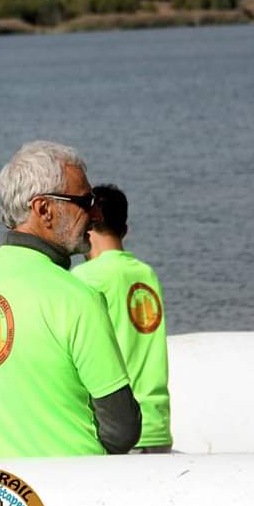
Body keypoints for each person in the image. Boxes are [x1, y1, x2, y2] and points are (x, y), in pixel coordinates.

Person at [0, 140, 141, 457]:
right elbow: (122, 431)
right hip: (72, 482)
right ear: (43, 209)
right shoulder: (77, 299)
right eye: (86, 201)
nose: (96, 213)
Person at [73, 185, 172, 453]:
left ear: (86, 227)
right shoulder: (146, 274)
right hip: (158, 425)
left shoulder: (84, 279)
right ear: (124, 229)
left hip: (119, 430)